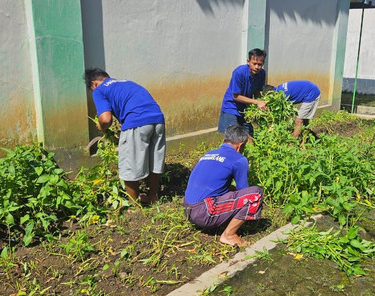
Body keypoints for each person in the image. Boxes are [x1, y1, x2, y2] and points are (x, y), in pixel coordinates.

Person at [84, 68, 166, 204]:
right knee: (154, 161)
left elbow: (105, 119)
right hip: (157, 120)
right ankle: (152, 197)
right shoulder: (127, 83)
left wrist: (101, 127)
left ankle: (134, 205)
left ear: (94, 84)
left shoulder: (99, 90)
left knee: (130, 164)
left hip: (136, 121)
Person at [184, 125, 264, 247]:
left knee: (231, 191)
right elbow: (244, 191)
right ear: (241, 145)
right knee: (255, 195)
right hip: (205, 212)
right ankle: (229, 235)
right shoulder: (239, 159)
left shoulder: (208, 154)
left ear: (224, 141)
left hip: (188, 210)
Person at [217, 48, 268, 139]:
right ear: (248, 62)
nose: (257, 67)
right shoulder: (239, 73)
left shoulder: (262, 74)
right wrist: (256, 102)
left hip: (245, 108)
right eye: (254, 63)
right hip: (232, 107)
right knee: (233, 138)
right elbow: (235, 96)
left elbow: (257, 92)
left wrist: (264, 102)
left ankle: (248, 153)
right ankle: (226, 153)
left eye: (259, 64)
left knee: (249, 136)